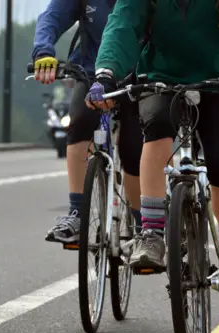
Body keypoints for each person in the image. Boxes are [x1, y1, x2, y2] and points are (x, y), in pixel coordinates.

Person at [85, 0, 219, 320]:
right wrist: (106, 73)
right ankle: (151, 234)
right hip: (162, 77)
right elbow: (122, 24)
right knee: (157, 131)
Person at [31, 0, 143, 243]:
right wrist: (43, 51)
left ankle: (142, 225)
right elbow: (52, 16)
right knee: (79, 123)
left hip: (139, 74)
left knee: (134, 149)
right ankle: (77, 213)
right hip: (92, 71)